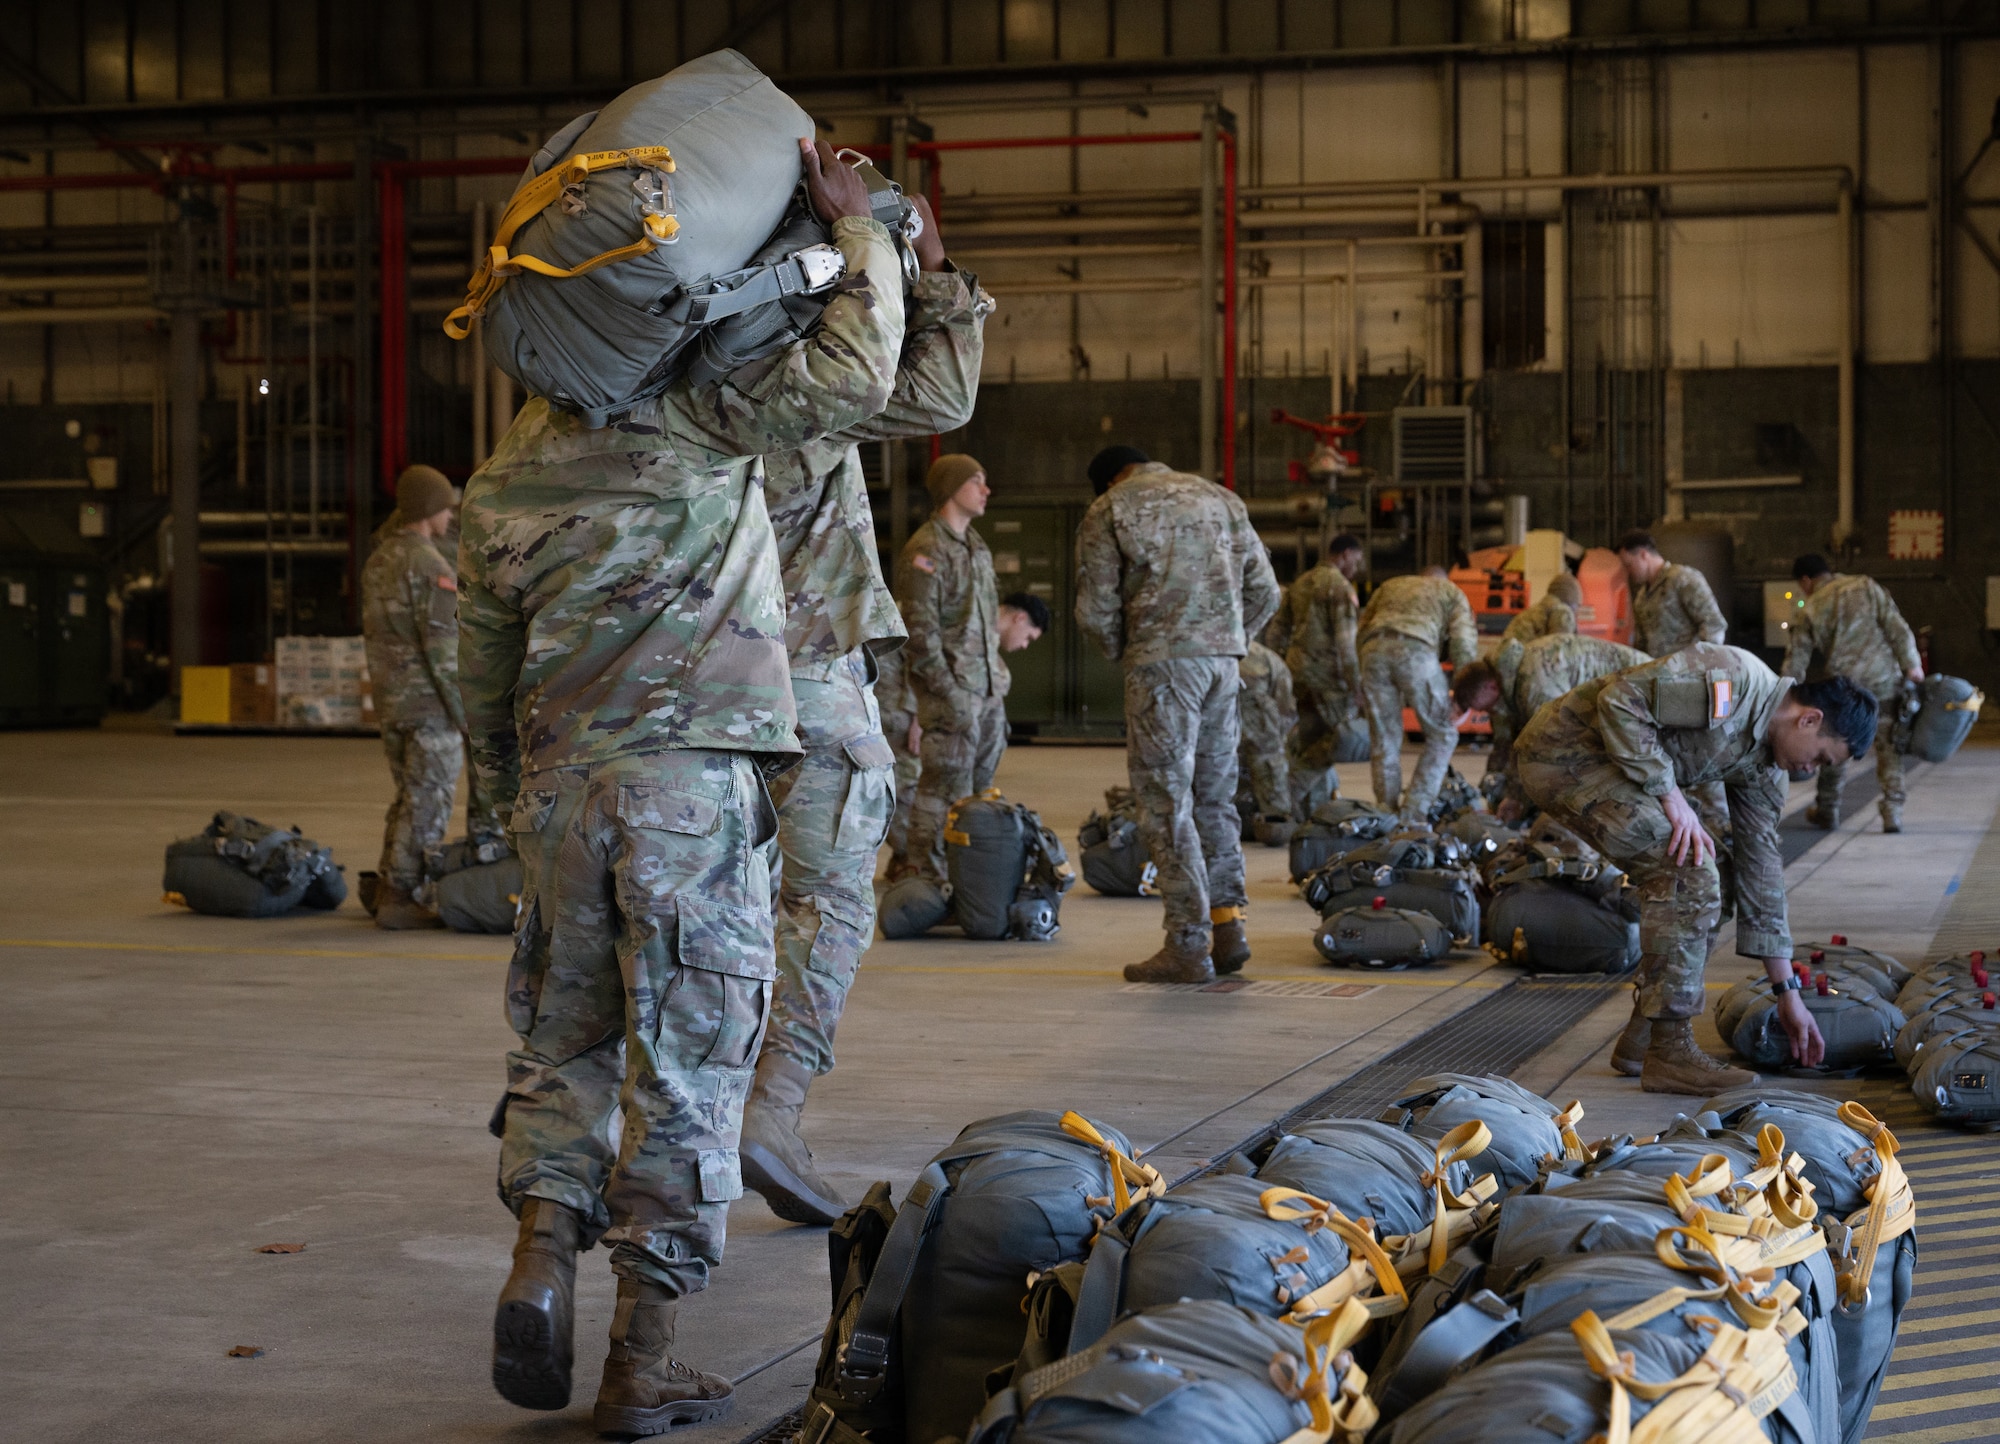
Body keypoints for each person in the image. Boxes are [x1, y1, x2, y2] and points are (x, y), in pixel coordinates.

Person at [461, 140, 906, 1433]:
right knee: (692, 1072)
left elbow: (478, 677)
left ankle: (541, 1258)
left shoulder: (503, 483)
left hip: (562, 800)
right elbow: (862, 371)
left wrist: (509, 803)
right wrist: (860, 231)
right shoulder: (706, 415)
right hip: (692, 803)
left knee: (566, 1049)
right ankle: (637, 1365)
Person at [739, 198, 991, 1229]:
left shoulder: (645, 390)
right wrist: (922, 260)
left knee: (705, 919)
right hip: (802, 679)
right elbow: (940, 388)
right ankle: (771, 1110)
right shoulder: (803, 385)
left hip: (676, 696)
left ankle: (650, 1143)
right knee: (829, 903)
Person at [1513, 643, 1875, 1094]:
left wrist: (1788, 994)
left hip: (1617, 773)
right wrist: (1671, 796)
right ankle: (1670, 1052)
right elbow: (1620, 701)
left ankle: (1644, 1040)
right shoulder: (1731, 679)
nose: (1811, 770)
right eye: (1821, 758)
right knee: (1687, 871)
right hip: (1563, 756)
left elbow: (1760, 872)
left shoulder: (1766, 768)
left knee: (1717, 880)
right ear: (1810, 719)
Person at [1075, 445, 1280, 982]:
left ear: (1109, 479)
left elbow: (1095, 608)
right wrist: (1227, 640)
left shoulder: (1110, 508)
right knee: (1214, 799)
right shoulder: (1222, 498)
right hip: (1223, 666)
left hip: (1163, 668)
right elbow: (1266, 591)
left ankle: (1188, 945)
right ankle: (1228, 926)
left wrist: (1132, 649)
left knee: (1166, 803)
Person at [360, 464, 499, 930]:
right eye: (444, 508)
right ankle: (401, 894)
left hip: (392, 701)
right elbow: (443, 654)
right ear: (430, 511)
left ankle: (387, 882)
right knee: (429, 799)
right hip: (428, 707)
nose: (449, 517)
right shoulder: (429, 566)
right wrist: (467, 715)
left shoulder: (380, 559)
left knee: (409, 795)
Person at [893, 452, 1007, 883]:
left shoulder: (975, 545)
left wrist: (997, 677)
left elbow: (983, 622)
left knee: (979, 793)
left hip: (985, 690)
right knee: (940, 791)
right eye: (976, 481)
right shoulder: (926, 549)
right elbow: (919, 635)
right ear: (951, 488)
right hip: (952, 694)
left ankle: (965, 879)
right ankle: (922, 875)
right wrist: (949, 693)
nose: (985, 489)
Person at [1782, 554, 1922, 832]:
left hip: (1845, 691)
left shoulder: (1808, 608)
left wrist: (1785, 695)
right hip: (1883, 681)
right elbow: (1896, 627)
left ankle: (1827, 810)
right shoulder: (1865, 586)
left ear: (1806, 581)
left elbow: (1796, 659)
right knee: (1889, 747)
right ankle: (1892, 811)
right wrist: (1912, 665)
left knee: (1835, 747)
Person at [1451, 632, 1648, 812]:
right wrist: (1509, 795)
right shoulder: (1510, 679)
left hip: (1641, 687)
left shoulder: (1534, 684)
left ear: (1491, 686)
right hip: (1620, 697)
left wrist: (1519, 799)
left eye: (1486, 707)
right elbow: (1511, 743)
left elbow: (1552, 746)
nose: (1489, 712)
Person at [1354, 569, 1479, 822]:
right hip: (1416, 649)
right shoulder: (1450, 592)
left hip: (1372, 650)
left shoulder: (1391, 584)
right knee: (1443, 734)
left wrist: (1361, 673)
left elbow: (1362, 625)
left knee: (1384, 739)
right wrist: (1463, 697)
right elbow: (1462, 643)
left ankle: (1386, 812)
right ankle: (1414, 813)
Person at [1282, 534, 1364, 819]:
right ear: (1343, 554)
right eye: (1356, 560)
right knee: (1335, 742)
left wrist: (1282, 666)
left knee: (1308, 741)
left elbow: (1278, 631)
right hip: (1329, 680)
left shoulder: (1301, 583)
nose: (1357, 567)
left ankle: (1306, 811)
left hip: (1298, 676)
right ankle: (1289, 792)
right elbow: (1346, 643)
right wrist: (1357, 686)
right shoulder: (1340, 588)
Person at [1616, 530, 1728, 657]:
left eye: (1628, 565)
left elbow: (1714, 625)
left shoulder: (1682, 579)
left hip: (1689, 671)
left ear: (1643, 555)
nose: (1627, 571)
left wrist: (1700, 664)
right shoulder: (1641, 598)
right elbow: (1642, 645)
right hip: (1659, 672)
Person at [1237, 638, 1297, 845]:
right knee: (1266, 754)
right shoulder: (1265, 658)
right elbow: (1286, 711)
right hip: (1252, 680)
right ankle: (1275, 822)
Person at [873, 644, 923, 882]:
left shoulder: (895, 612)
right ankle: (902, 860)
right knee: (881, 793)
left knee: (901, 795)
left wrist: (917, 717)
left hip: (898, 719)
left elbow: (918, 663)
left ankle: (912, 860)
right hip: (869, 714)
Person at [1501, 569, 1581, 647]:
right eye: (1576, 606)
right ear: (1570, 601)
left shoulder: (1532, 612)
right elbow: (1561, 651)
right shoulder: (1562, 613)